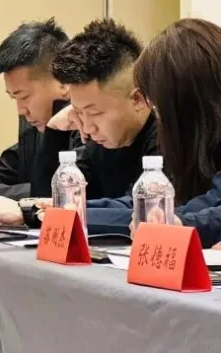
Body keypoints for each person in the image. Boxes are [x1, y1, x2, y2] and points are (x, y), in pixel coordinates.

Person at [90, 19, 221, 246]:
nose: (157, 116)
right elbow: (147, 205)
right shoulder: (190, 142)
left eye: (159, 105)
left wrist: (178, 222)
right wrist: (66, 209)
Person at [33, 19, 158, 200]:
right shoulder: (97, 142)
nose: (88, 128)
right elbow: (49, 202)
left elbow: (140, 207)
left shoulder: (168, 138)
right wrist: (54, 130)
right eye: (78, 112)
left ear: (137, 99)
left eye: (94, 113)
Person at [0, 18, 75, 199]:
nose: (21, 110)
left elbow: (61, 194)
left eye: (24, 97)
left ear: (64, 82)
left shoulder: (92, 132)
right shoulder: (33, 131)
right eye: (14, 98)